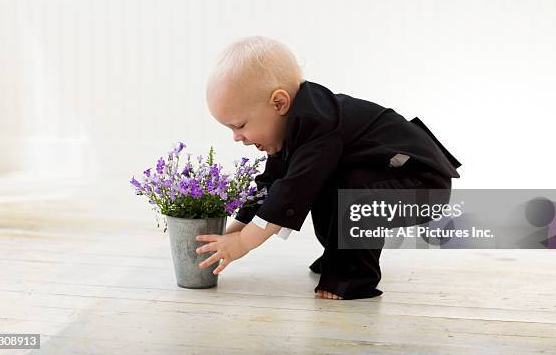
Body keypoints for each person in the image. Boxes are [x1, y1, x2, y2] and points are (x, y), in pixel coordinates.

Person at [195, 36, 462, 300]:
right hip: (386, 174)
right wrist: (237, 228)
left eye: (240, 125)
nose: (236, 137)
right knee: (327, 183)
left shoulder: (318, 125)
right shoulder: (292, 129)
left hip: (421, 182)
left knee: (354, 194)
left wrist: (243, 243)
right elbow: (272, 185)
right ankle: (338, 256)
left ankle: (353, 276)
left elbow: (290, 193)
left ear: (279, 103)